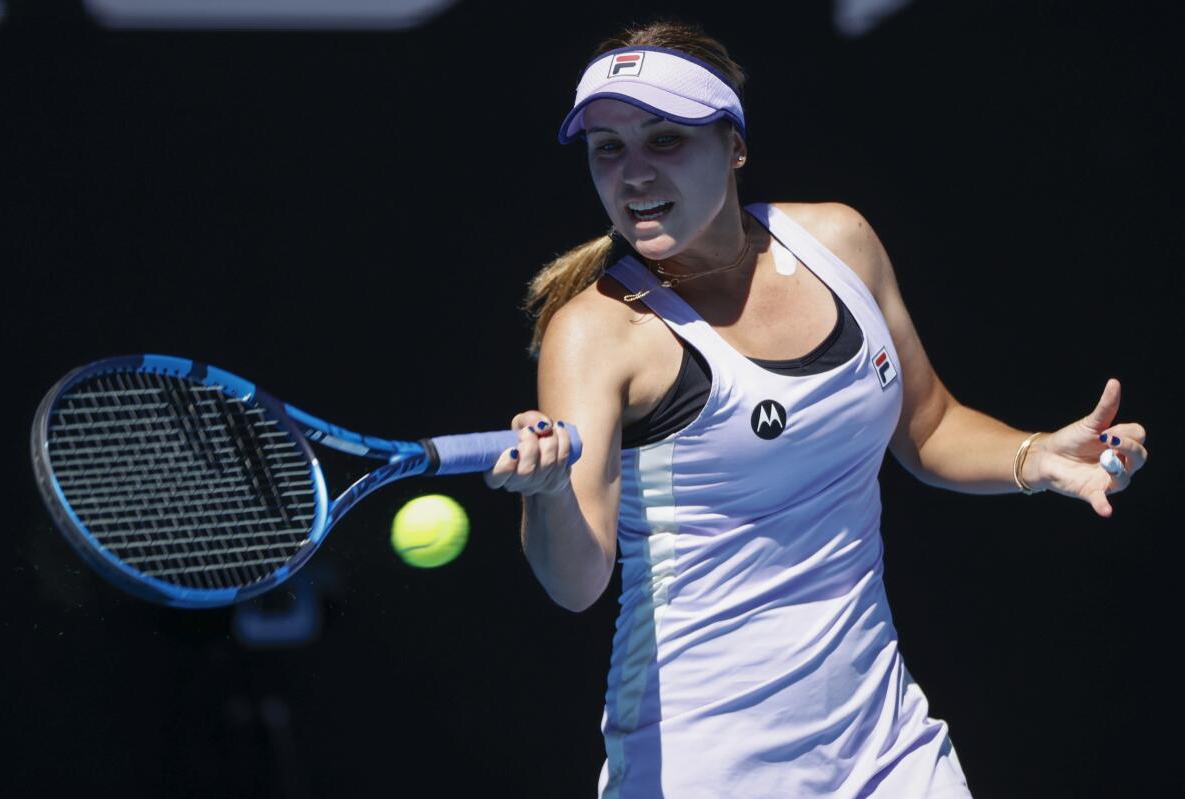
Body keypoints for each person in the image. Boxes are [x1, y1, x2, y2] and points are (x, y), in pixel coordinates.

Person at [483, 19, 1148, 799]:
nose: (632, 173)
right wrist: (550, 494)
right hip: (706, 763)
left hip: (888, 743)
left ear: (733, 144)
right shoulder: (597, 331)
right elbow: (577, 578)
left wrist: (1035, 456)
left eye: (664, 139)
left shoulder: (841, 240)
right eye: (608, 148)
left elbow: (928, 424)